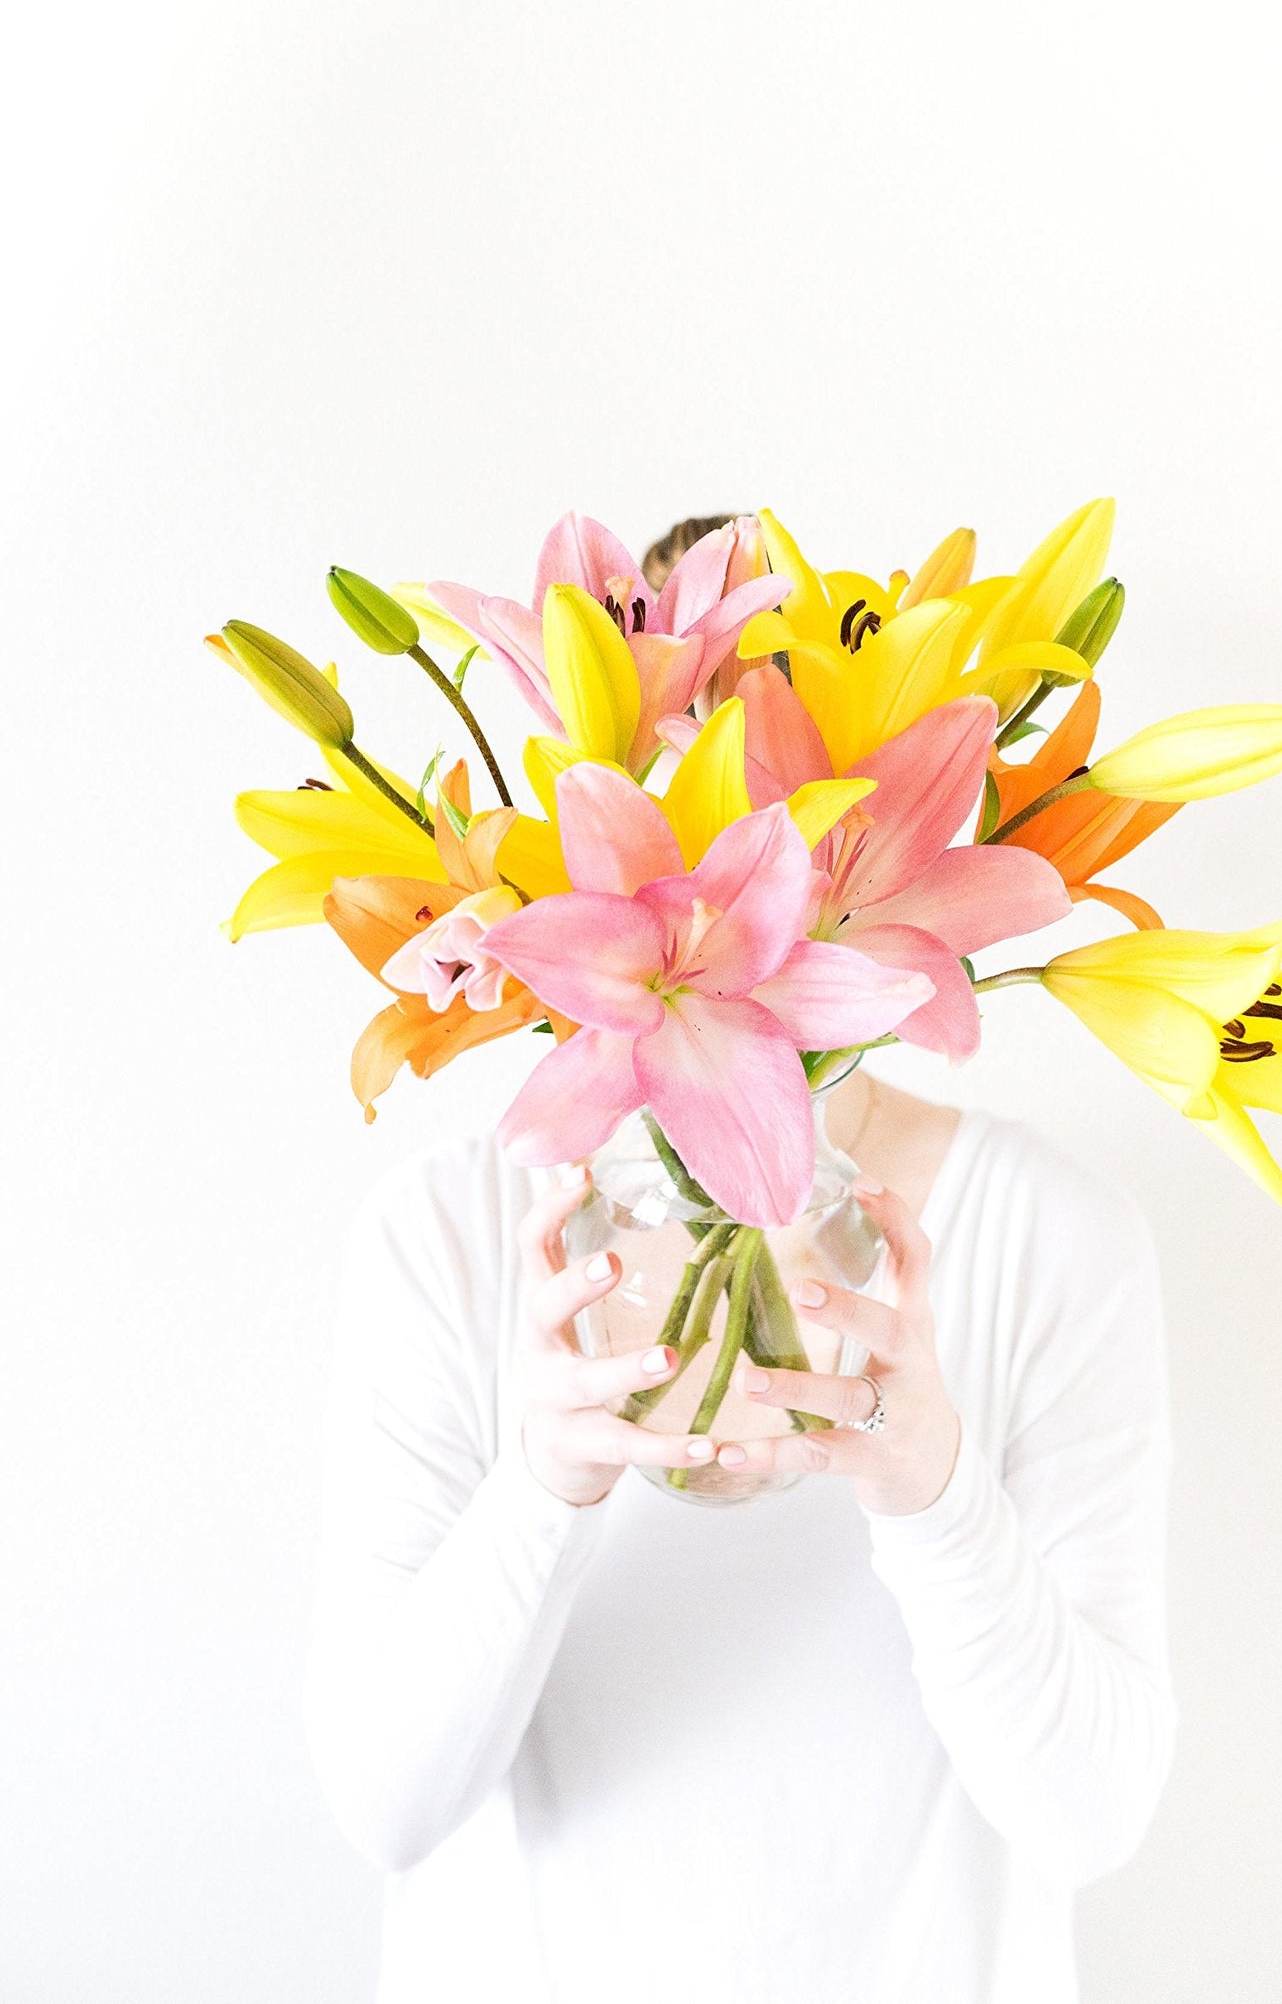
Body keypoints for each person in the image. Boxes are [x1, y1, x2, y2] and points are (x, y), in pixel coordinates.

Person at [302, 521, 1176, 2004]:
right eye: (685, 808)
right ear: (597, 826)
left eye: (771, 813)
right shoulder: (453, 1234)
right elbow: (385, 1812)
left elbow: (1088, 1824)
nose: (737, 880)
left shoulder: (1048, 1237)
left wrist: (938, 1496)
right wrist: (543, 1486)